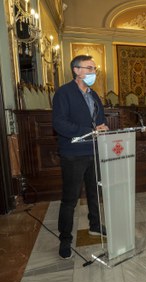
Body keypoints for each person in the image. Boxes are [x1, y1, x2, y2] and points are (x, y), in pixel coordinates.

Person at [52, 55, 109, 259]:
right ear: (76, 70)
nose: (94, 72)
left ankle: (94, 225)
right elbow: (59, 124)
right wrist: (89, 130)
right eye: (90, 68)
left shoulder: (94, 95)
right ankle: (65, 239)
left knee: (94, 193)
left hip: (94, 151)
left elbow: (99, 119)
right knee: (70, 199)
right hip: (74, 154)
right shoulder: (63, 93)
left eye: (95, 69)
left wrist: (101, 128)